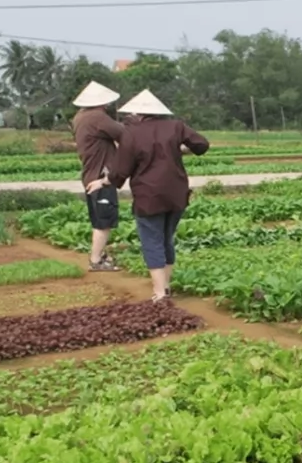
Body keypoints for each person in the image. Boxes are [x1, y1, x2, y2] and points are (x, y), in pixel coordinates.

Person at [111, 89, 210, 301]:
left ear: (138, 114)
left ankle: (159, 292)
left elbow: (121, 169)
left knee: (152, 241)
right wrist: (181, 150)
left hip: (149, 195)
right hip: (176, 192)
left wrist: (110, 181)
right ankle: (165, 286)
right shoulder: (176, 127)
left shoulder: (132, 133)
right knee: (166, 239)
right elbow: (202, 144)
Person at [71, 81, 125, 272]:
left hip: (89, 174)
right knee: (104, 221)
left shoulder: (80, 116)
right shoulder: (98, 117)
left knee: (98, 219)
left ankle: (100, 256)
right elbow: (124, 134)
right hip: (100, 176)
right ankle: (96, 261)